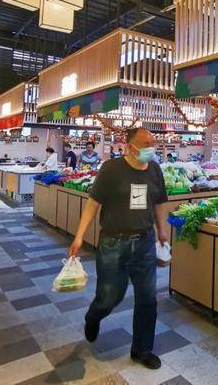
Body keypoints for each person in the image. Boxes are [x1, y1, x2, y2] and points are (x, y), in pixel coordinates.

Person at [69, 128, 168, 370]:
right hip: (113, 243)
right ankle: (94, 316)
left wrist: (161, 229)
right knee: (110, 296)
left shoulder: (155, 169)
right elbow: (93, 204)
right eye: (145, 144)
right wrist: (79, 237)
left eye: (153, 143)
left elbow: (158, 202)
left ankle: (142, 350)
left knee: (147, 298)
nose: (150, 148)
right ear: (129, 145)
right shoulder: (111, 169)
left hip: (144, 242)